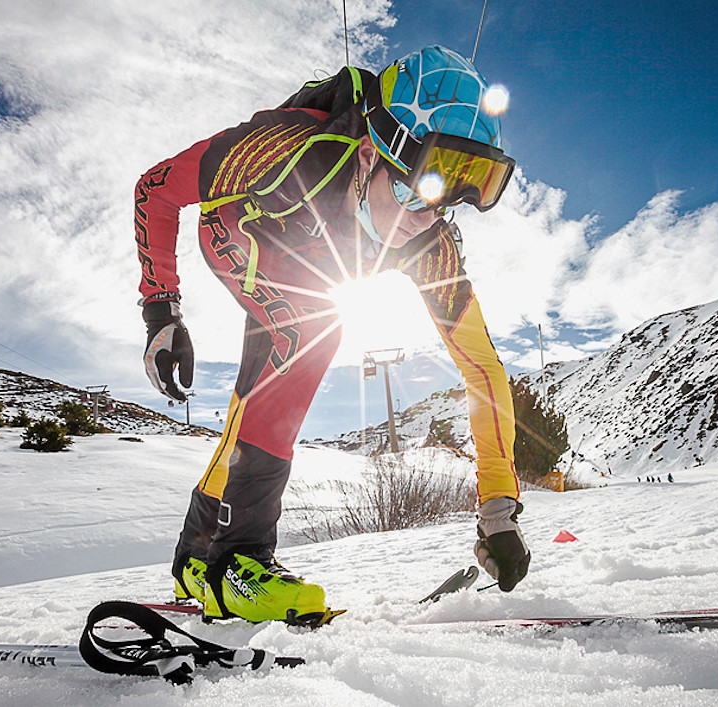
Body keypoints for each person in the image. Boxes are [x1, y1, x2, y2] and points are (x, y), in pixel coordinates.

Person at [135, 45, 530, 624]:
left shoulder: (428, 240)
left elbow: (481, 368)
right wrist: (161, 310)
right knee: (315, 326)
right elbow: (156, 189)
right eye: (412, 191)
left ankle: (199, 557)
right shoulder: (285, 149)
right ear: (372, 152)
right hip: (241, 231)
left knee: (289, 350)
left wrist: (498, 510)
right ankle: (233, 560)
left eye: (446, 207)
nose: (419, 221)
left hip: (315, 268)